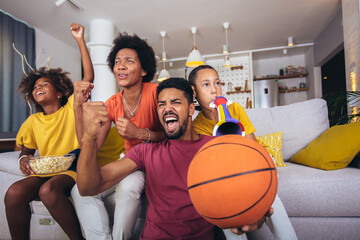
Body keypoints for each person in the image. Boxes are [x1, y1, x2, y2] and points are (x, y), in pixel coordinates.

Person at [75, 77, 272, 239]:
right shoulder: (146, 151)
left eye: (175, 102)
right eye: (161, 104)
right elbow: (88, 187)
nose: (167, 108)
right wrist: (89, 137)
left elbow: (245, 185)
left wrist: (254, 212)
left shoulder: (214, 147)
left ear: (191, 110)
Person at [4, 23, 93, 240]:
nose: (37, 88)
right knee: (13, 192)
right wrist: (24, 160)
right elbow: (26, 151)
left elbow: (88, 78)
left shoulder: (72, 107)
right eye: (34, 87)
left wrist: (80, 40)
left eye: (44, 84)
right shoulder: (33, 121)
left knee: (48, 191)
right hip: (46, 169)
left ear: (61, 92)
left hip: (72, 167)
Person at [71, 32, 164, 240]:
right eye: (117, 62)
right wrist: (78, 108)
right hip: (130, 162)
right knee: (79, 190)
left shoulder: (157, 92)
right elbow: (91, 148)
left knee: (129, 185)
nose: (120, 66)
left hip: (155, 163)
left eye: (129, 61)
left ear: (144, 70)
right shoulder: (112, 103)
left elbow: (174, 133)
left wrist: (140, 133)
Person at [189, 64, 298, 240]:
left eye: (217, 83)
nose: (215, 90)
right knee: (224, 200)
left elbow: (252, 147)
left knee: (270, 195)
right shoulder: (197, 126)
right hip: (227, 169)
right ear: (194, 91)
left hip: (252, 159)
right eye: (206, 85)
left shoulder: (235, 109)